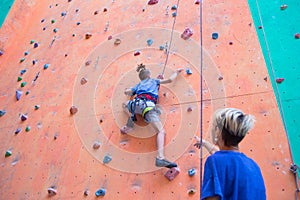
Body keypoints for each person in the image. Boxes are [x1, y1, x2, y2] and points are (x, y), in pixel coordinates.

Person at [195, 108, 266, 200]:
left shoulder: (214, 161)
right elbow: (226, 158)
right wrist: (204, 143)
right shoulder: (253, 166)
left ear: (219, 132)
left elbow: (213, 198)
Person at [121, 63, 183, 168]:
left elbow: (127, 92)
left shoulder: (139, 85)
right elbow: (169, 80)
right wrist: (176, 72)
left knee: (124, 105)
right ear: (149, 75)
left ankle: (131, 118)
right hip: (148, 107)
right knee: (161, 131)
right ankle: (160, 157)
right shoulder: (154, 81)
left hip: (136, 104)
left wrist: (129, 91)